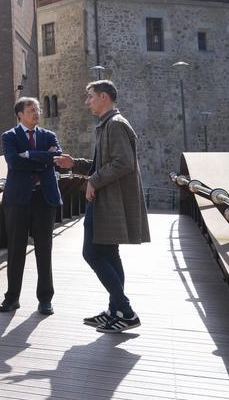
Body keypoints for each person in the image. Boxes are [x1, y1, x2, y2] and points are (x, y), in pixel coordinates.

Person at [54, 80, 150, 333]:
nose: (87, 102)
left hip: (108, 202)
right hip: (107, 200)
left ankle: (125, 311)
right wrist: (74, 164)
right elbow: (104, 164)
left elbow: (124, 163)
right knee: (108, 254)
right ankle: (115, 310)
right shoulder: (109, 124)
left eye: (90, 97)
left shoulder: (116, 125)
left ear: (104, 97)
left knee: (93, 254)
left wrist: (93, 181)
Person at [0, 97, 63, 316]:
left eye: (38, 109)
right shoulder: (9, 137)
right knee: (16, 251)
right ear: (20, 114)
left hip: (44, 199)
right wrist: (42, 159)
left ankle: (46, 299)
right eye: (31, 109)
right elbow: (13, 162)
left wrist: (29, 155)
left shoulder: (48, 135)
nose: (37, 112)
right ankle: (12, 298)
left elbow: (56, 158)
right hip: (17, 200)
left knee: (45, 250)